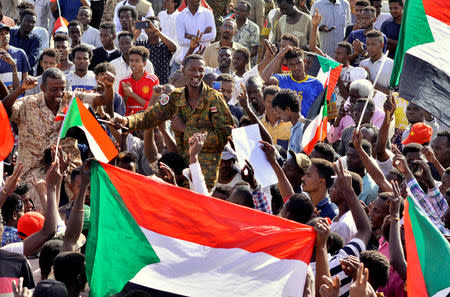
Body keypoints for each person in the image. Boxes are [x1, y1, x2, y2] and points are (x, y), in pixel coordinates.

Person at [113, 54, 233, 189]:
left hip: (204, 174)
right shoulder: (176, 97)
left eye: (200, 70)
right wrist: (126, 120)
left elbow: (224, 136)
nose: (197, 74)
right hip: (180, 173)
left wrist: (185, 129)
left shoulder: (214, 98)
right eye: (192, 69)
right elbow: (151, 116)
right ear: (184, 71)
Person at [3, 68, 115, 212]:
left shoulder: (72, 99)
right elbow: (5, 109)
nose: (59, 93)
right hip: (34, 170)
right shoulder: (28, 103)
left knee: (83, 208)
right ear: (43, 88)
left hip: (69, 168)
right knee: (45, 211)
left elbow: (103, 99)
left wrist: (110, 87)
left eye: (62, 88)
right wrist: (21, 88)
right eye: (54, 89)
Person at [262, 47, 324, 117]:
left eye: (299, 63)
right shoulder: (282, 79)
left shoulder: (316, 84)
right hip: (284, 126)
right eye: (292, 64)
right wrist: (278, 57)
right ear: (287, 65)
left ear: (304, 62)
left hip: (307, 126)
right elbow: (263, 80)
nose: (296, 67)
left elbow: (323, 112)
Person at [174, 0, 216, 69]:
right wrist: (203, 36)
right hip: (187, 59)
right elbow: (181, 40)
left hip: (205, 58)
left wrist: (191, 37)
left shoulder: (208, 13)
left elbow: (212, 36)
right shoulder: (180, 16)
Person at [118, 46, 159, 115]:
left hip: (146, 119)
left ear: (144, 63)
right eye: (131, 60)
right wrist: (126, 96)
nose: (133, 64)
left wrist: (132, 94)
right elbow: (120, 108)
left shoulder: (153, 80)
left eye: (137, 61)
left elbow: (151, 106)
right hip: (128, 120)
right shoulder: (123, 81)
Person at [136, 17, 177, 85]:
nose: (150, 29)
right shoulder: (141, 45)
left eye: (153, 26)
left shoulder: (164, 46)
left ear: (160, 29)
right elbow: (129, 52)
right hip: (144, 85)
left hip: (162, 85)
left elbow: (173, 48)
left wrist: (157, 32)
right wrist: (135, 33)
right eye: (148, 27)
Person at [330, 170, 362, 243]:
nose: (330, 189)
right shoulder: (341, 217)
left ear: (346, 192)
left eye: (334, 186)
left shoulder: (343, 225)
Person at [271, 89, 306, 154]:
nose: (278, 116)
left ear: (287, 109)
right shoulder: (293, 128)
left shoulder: (302, 130)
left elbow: (303, 160)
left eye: (279, 112)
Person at [259, 85, 292, 150]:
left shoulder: (291, 125)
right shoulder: (257, 123)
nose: (273, 105)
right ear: (263, 101)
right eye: (270, 102)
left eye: (276, 102)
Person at [347, 138, 379, 204]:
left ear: (365, 159)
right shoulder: (343, 180)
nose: (348, 159)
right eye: (348, 155)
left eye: (354, 157)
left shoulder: (370, 189)